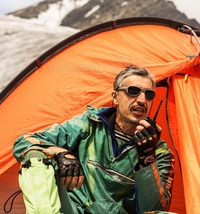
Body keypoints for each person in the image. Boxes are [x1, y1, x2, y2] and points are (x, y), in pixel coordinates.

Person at [13, 64, 175, 214]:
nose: (141, 99)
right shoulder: (88, 124)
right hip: (73, 210)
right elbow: (24, 142)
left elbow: (155, 208)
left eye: (149, 94)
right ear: (115, 97)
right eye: (132, 91)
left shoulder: (159, 150)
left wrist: (147, 158)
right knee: (36, 157)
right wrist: (60, 153)